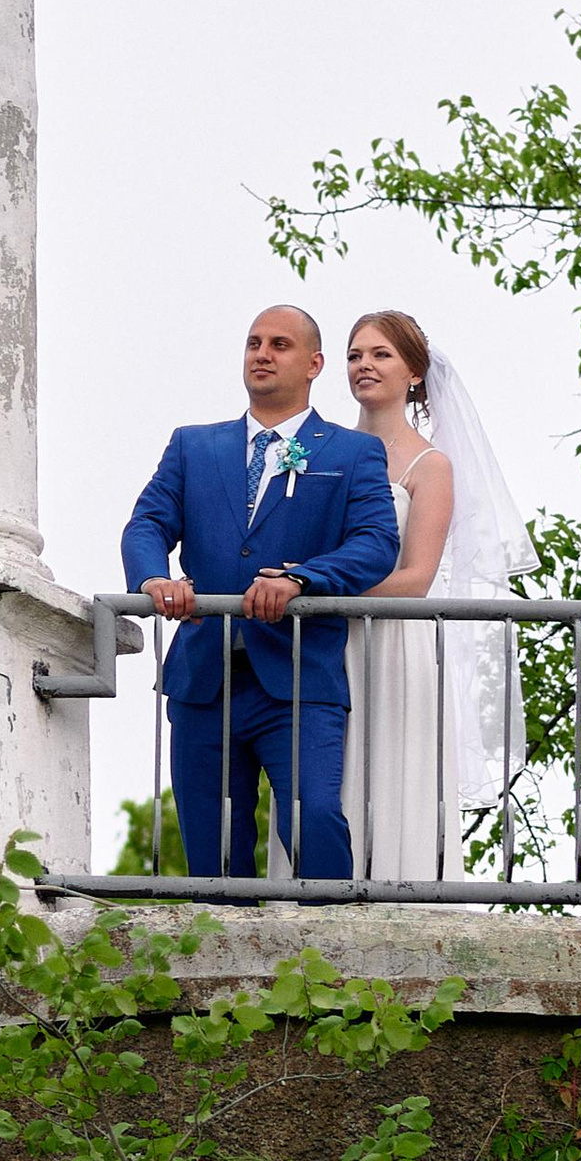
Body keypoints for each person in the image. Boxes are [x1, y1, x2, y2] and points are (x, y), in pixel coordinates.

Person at [122, 305, 400, 877]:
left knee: (315, 817)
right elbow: (147, 524)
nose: (262, 354)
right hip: (203, 676)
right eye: (254, 343)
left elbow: (376, 543)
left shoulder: (352, 453)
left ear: (314, 364)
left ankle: (333, 952)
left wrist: (302, 578)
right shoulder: (193, 446)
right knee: (212, 841)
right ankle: (227, 959)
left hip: (300, 676)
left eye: (280, 344)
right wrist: (153, 578)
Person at [337, 311, 536, 880]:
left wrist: (315, 585)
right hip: (324, 639)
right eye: (355, 355)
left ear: (415, 374)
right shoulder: (322, 451)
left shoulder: (432, 465)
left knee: (392, 770)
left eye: (381, 355)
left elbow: (417, 577)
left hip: (396, 640)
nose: (365, 366)